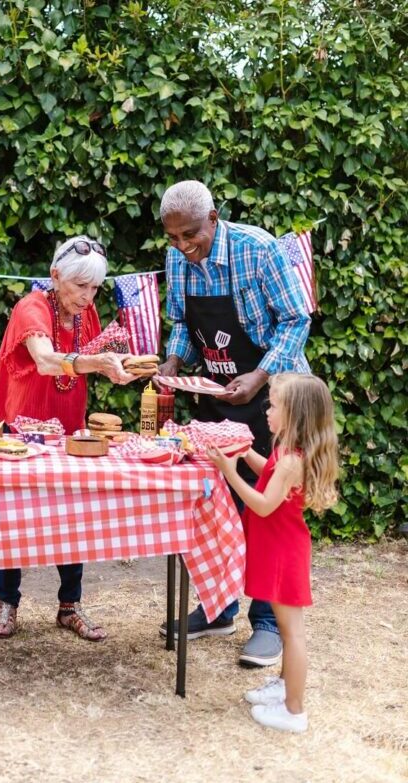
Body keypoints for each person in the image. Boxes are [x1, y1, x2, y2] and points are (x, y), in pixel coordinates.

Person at [157, 180, 311, 667]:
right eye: (173, 238)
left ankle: (266, 624)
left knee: (265, 514)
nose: (183, 247)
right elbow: (182, 323)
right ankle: (219, 606)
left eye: (191, 235)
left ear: (214, 218)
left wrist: (261, 374)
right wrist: (173, 364)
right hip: (217, 396)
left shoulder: (259, 250)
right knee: (212, 500)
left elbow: (296, 318)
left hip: (271, 396)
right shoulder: (178, 259)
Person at [0, 235, 135, 640]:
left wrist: (117, 366)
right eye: (79, 286)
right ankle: (6, 603)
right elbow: (48, 361)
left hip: (69, 429)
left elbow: (94, 359)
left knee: (73, 515)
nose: (88, 296)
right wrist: (97, 362)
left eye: (95, 287)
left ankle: (70, 606)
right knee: (14, 515)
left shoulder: (86, 314)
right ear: (54, 276)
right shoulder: (30, 308)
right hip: (23, 429)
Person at [206, 373, 339, 732]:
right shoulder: (286, 451)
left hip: (284, 552)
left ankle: (294, 711)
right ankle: (284, 688)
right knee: (285, 626)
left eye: (274, 405)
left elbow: (264, 504)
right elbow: (269, 473)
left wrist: (228, 472)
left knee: (291, 631)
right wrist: (243, 450)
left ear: (294, 414)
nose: (267, 410)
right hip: (278, 548)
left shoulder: (293, 460)